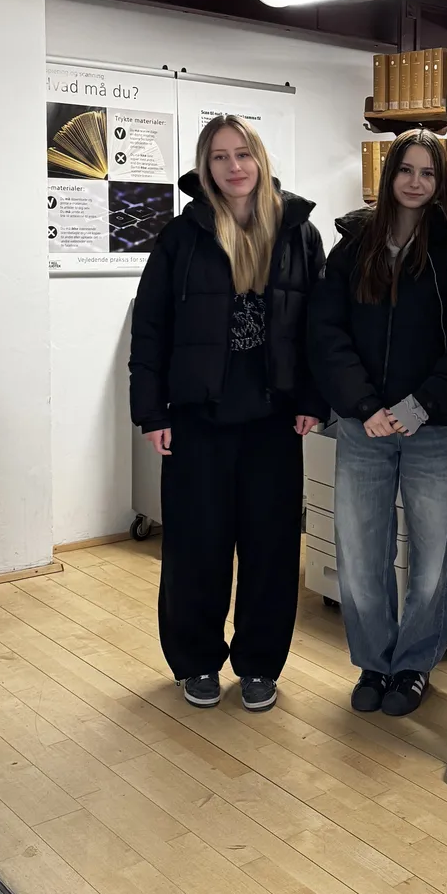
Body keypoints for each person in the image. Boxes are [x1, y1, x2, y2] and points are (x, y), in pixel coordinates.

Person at [129, 115, 327, 713]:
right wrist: (151, 413)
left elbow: (319, 326)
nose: (233, 167)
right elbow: (151, 329)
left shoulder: (298, 232)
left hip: (274, 421)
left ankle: (261, 665)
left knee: (271, 551)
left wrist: (312, 400)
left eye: (243, 154)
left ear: (260, 159)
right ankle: (196, 661)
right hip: (197, 420)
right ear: (205, 166)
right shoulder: (181, 236)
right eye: (219, 157)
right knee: (196, 549)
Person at [309, 129, 447, 717]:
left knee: (434, 558)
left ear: (441, 181)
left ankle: (412, 667)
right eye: (405, 170)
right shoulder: (353, 246)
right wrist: (364, 407)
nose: (415, 182)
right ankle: (373, 663)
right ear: (388, 177)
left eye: (428, 173)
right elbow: (326, 333)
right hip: (364, 427)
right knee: (361, 554)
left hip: (431, 426)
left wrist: (419, 406)